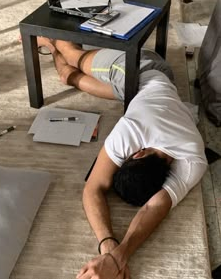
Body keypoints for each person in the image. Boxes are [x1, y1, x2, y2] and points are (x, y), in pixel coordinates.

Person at [36, 36, 208, 279]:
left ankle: (52, 46)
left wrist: (114, 254)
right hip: (142, 69)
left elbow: (154, 205)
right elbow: (94, 189)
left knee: (68, 76)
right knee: (75, 58)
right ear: (137, 154)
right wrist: (113, 252)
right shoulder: (134, 129)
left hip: (142, 86)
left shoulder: (192, 158)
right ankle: (50, 36)